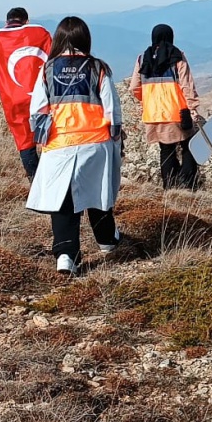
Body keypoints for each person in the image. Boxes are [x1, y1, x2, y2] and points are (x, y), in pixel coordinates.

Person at [25, 16, 124, 276]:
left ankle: (66, 255)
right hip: (94, 142)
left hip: (59, 144)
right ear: (84, 38)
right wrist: (116, 140)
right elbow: (112, 109)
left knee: (63, 200)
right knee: (96, 193)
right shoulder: (98, 68)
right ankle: (107, 240)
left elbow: (36, 110)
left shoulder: (47, 69)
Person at [127, 24, 201, 190]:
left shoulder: (142, 58)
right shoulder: (177, 56)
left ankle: (169, 187)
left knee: (166, 150)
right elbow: (186, 85)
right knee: (189, 146)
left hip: (153, 115)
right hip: (178, 113)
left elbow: (134, 88)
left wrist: (147, 100)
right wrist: (193, 107)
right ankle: (186, 185)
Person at [0, 7, 51, 177]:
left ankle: (35, 180)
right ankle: (53, 177)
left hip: (13, 98)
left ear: (7, 22)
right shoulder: (40, 35)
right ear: (26, 21)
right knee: (50, 134)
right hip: (41, 95)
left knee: (24, 139)